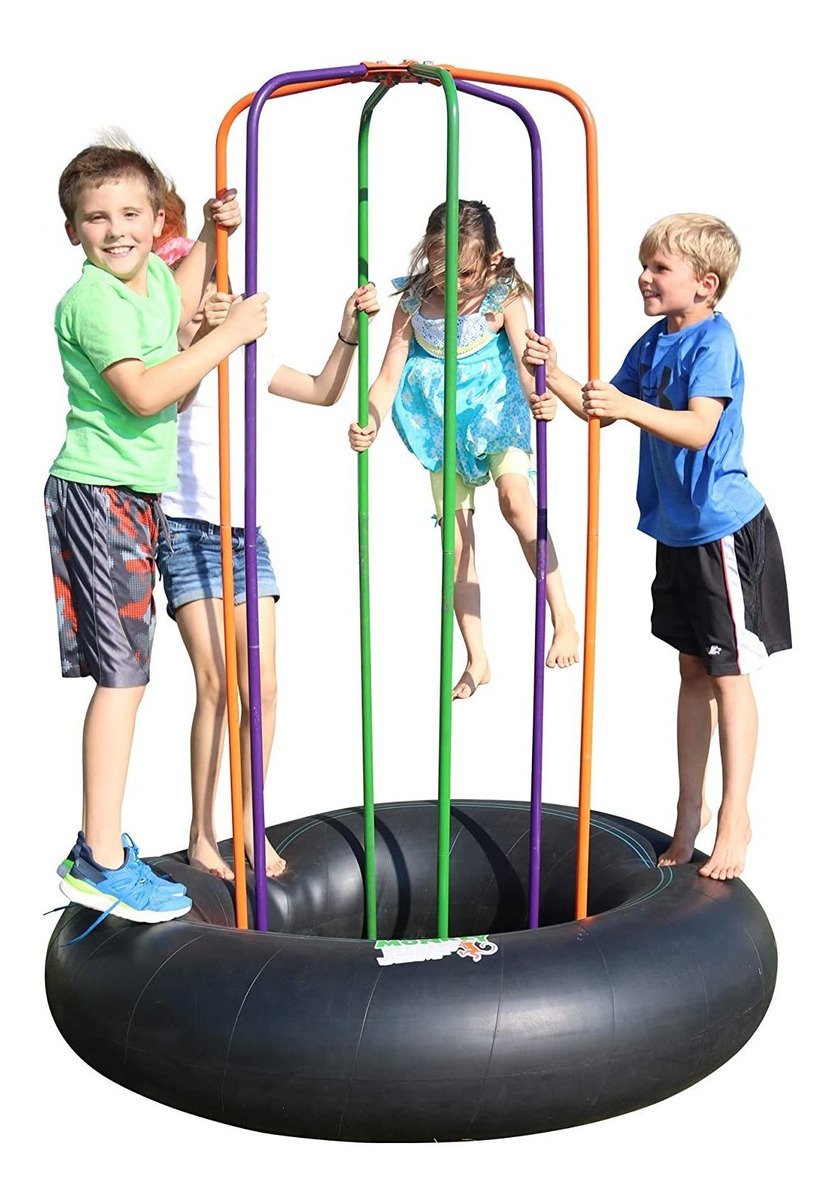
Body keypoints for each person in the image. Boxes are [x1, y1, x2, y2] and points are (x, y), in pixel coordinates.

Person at [524, 213, 791, 881]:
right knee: (691, 672)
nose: (643, 276)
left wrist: (624, 407)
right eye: (643, 264)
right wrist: (552, 371)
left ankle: (735, 815)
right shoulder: (656, 339)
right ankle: (688, 808)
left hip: (720, 530)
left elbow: (699, 429)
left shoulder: (713, 342)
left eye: (658, 268)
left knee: (728, 673)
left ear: (705, 284)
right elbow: (600, 405)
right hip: (675, 532)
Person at [47, 143, 268, 922]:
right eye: (97, 219)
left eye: (131, 215)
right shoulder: (96, 301)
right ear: (73, 230)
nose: (117, 230)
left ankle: (105, 847)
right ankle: (100, 858)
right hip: (98, 495)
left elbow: (176, 301)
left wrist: (209, 231)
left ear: (154, 221)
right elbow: (144, 395)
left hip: (132, 499)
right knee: (122, 680)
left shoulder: (141, 287)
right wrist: (226, 339)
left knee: (131, 676)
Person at [156, 209, 378, 879]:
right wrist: (209, 334)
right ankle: (202, 832)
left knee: (265, 689)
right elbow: (174, 398)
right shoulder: (173, 357)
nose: (209, 298)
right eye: (196, 291)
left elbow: (322, 390)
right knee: (216, 684)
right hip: (186, 528)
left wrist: (347, 331)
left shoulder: (246, 357)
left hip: (245, 534)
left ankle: (251, 822)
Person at [348, 200, 579, 700]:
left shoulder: (502, 295)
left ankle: (561, 614)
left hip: (496, 412)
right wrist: (370, 422)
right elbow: (387, 378)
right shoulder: (414, 301)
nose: (453, 285)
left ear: (492, 259)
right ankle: (477, 658)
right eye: (441, 270)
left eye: (466, 274)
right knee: (455, 542)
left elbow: (526, 362)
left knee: (516, 502)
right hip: (443, 427)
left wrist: (539, 397)